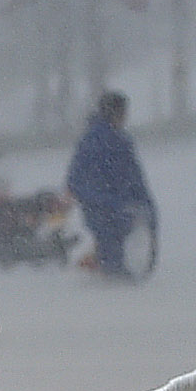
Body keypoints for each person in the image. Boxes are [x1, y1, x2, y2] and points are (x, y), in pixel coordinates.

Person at [64, 90, 153, 279]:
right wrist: (139, 203)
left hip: (102, 206)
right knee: (112, 254)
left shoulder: (92, 140)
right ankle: (109, 281)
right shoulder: (116, 142)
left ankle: (102, 271)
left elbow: (75, 179)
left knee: (110, 247)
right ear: (117, 113)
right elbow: (134, 178)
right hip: (110, 207)